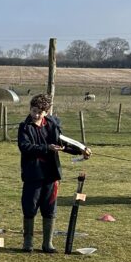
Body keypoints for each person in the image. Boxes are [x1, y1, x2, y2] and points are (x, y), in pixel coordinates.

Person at [17, 93, 92, 253]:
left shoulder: (52, 126)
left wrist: (81, 150)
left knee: (49, 208)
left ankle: (47, 243)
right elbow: (25, 147)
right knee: (29, 207)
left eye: (39, 112)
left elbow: (63, 144)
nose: (36, 114)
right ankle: (28, 243)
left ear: (46, 112)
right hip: (32, 174)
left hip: (51, 175)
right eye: (34, 110)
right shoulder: (24, 127)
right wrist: (46, 148)